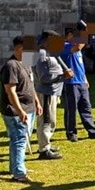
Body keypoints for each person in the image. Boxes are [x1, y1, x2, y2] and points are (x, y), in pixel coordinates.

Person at [0, 36, 43, 183]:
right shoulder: (11, 66)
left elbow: (30, 85)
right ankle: (19, 172)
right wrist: (20, 111)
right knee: (19, 140)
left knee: (20, 139)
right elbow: (10, 91)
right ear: (20, 49)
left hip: (28, 109)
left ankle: (16, 167)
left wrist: (36, 102)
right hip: (15, 111)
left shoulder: (25, 63)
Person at [60, 29, 95, 142]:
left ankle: (92, 131)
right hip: (70, 83)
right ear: (69, 35)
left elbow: (80, 64)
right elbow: (77, 47)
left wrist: (85, 79)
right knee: (71, 109)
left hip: (81, 82)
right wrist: (85, 35)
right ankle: (71, 133)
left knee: (86, 107)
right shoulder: (64, 46)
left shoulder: (76, 49)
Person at [34, 31, 72, 160]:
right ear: (46, 41)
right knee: (46, 121)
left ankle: (46, 144)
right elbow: (43, 77)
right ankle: (44, 149)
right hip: (46, 93)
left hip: (53, 92)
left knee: (51, 120)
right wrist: (62, 77)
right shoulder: (42, 54)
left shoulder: (50, 53)